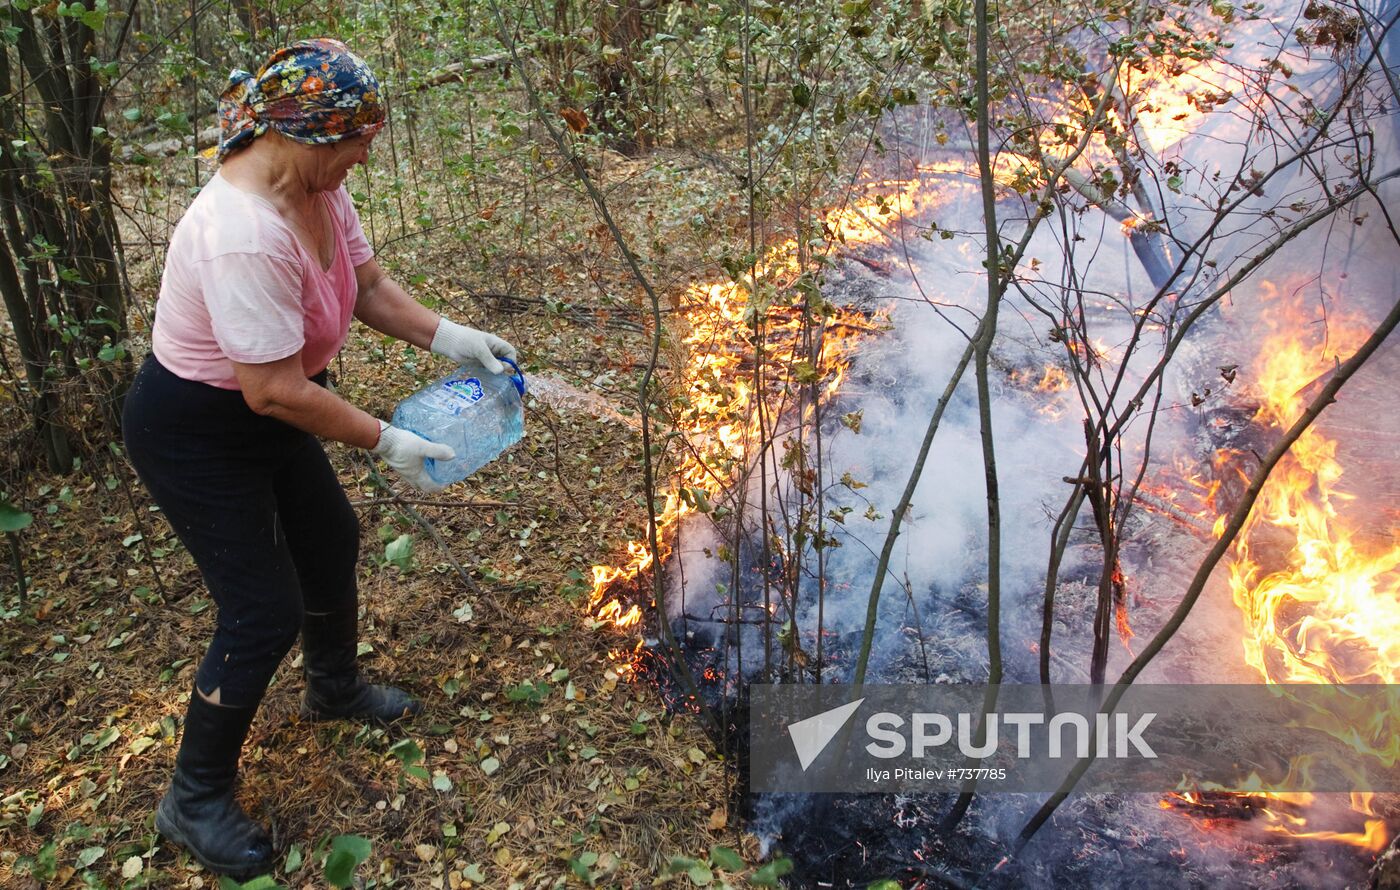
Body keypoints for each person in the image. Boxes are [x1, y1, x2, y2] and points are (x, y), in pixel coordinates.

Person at [120, 39, 517, 881]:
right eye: (357, 138)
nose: (367, 154)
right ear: (305, 133)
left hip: (269, 409)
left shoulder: (316, 188)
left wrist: (451, 337)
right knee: (260, 608)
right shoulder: (241, 234)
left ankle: (333, 688)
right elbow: (269, 388)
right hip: (197, 430)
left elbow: (368, 290)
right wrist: (388, 437)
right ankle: (192, 798)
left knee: (329, 541)